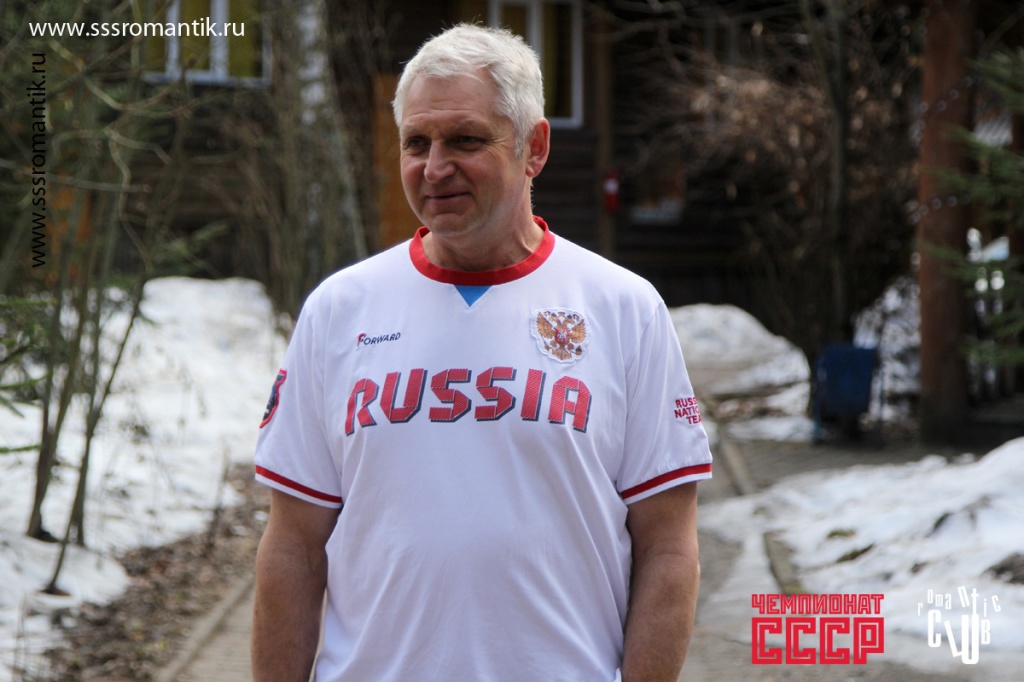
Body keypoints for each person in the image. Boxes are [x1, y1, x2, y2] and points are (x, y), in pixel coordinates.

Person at [251, 23, 713, 682]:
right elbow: (293, 546)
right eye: (416, 142)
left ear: (534, 147)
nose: (435, 167)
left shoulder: (623, 310)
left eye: (465, 140)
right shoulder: (340, 310)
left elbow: (668, 546)